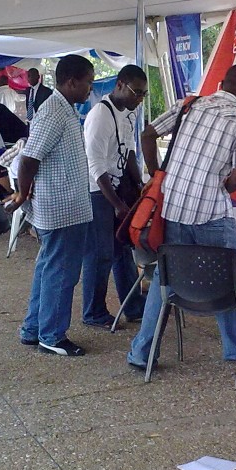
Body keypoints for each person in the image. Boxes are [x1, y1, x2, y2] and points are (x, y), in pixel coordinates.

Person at [127, 64, 236, 369]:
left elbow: (148, 134)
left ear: (221, 83)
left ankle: (142, 354)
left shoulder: (189, 104)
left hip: (172, 209)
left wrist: (157, 172)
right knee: (228, 279)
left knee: (164, 277)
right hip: (212, 212)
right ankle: (235, 348)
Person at [7, 54, 94, 357]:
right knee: (62, 273)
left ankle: (34, 329)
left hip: (64, 205)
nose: (90, 89)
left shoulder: (63, 108)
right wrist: (22, 193)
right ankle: (52, 335)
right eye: (88, 83)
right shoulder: (54, 111)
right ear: (72, 82)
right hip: (60, 208)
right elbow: (29, 158)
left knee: (48, 268)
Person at [80, 65, 147, 328]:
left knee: (122, 249)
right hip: (98, 190)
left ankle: (132, 304)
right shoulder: (100, 116)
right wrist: (117, 204)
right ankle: (93, 312)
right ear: (119, 85)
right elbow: (94, 165)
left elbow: (129, 149)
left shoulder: (129, 112)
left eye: (142, 95)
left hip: (118, 186)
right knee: (100, 254)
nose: (139, 99)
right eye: (135, 93)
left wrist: (138, 183)